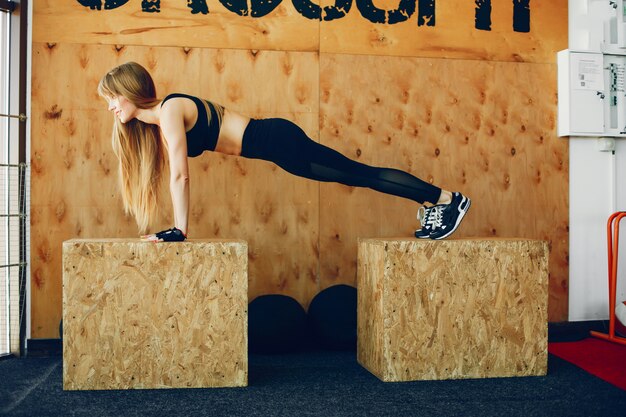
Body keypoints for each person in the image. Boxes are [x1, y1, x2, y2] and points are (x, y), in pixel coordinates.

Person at [97, 62, 470, 242]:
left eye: (113, 97)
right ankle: (437, 200)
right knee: (359, 175)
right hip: (277, 146)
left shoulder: (170, 109)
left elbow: (180, 174)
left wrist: (180, 229)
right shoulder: (158, 121)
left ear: (131, 90)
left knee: (361, 174)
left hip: (278, 140)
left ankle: (446, 199)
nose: (111, 106)